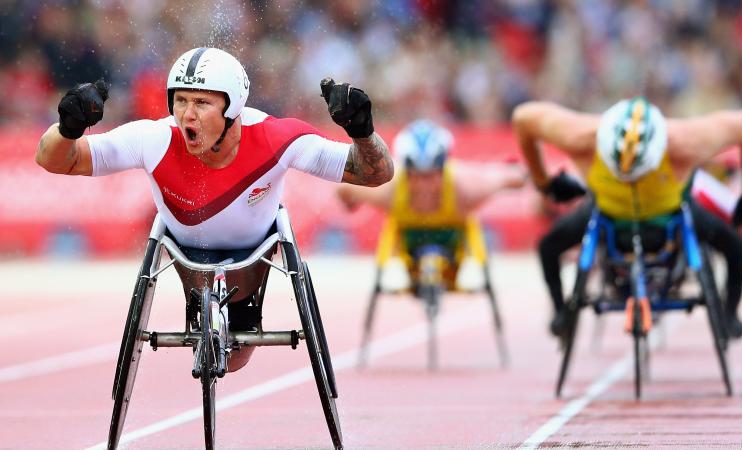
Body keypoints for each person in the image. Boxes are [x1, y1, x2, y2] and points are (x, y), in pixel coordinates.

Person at [35, 47, 394, 372]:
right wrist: (69, 128)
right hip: (184, 252)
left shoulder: (277, 138)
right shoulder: (153, 138)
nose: (187, 115)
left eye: (202, 103)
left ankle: (239, 311)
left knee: (236, 356)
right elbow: (55, 159)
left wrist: (361, 131)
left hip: (254, 256)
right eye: (180, 101)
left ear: (233, 106)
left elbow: (376, 173)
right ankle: (207, 309)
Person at [512, 97, 742, 339]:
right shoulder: (583, 137)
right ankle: (561, 312)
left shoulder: (683, 142)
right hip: (608, 214)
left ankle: (730, 314)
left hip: (668, 213)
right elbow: (522, 118)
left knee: (737, 246)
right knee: (547, 247)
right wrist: (543, 182)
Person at [336, 119, 526, 290]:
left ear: (443, 170)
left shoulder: (465, 188)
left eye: (430, 176)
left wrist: (519, 175)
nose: (423, 185)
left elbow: (505, 176)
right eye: (416, 176)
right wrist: (351, 203)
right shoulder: (389, 189)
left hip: (453, 242)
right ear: (406, 173)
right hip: (409, 244)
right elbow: (344, 189)